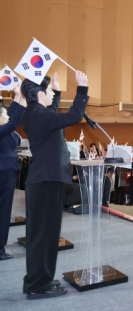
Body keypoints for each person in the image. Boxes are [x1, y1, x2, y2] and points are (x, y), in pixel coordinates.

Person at [21, 71, 89, 299]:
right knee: (44, 237)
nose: (52, 94)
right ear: (40, 94)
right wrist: (82, 89)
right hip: (46, 182)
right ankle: (39, 285)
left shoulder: (35, 112)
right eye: (49, 91)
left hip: (44, 181)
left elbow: (52, 111)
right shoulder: (39, 115)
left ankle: (37, 281)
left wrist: (57, 90)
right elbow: (73, 116)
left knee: (42, 236)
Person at [0, 85, 27, 261]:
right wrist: (21, 101)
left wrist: (17, 96)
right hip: (4, 173)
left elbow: (12, 117)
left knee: (4, 211)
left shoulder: (5, 131)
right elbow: (14, 121)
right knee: (3, 211)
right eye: (3, 113)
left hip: (7, 172)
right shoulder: (4, 130)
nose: (7, 114)